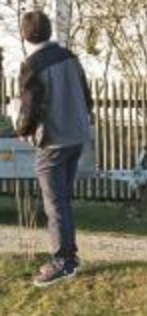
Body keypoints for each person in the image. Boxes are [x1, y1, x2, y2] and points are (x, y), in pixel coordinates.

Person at [15, 10, 93, 287]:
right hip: (77, 136)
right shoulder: (69, 57)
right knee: (63, 201)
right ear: (48, 31)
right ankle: (70, 256)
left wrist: (23, 131)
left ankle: (63, 262)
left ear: (26, 36)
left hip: (53, 141)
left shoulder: (32, 64)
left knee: (55, 203)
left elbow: (29, 106)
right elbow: (86, 95)